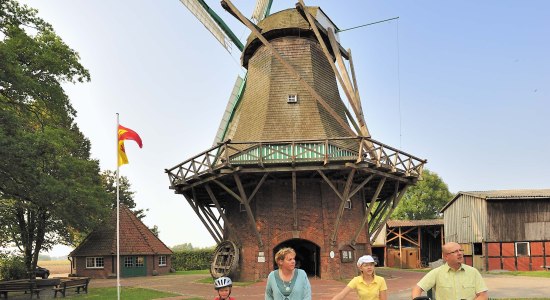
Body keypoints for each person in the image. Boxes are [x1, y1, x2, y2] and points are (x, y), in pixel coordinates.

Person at [411, 242, 488, 300]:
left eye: (460, 250)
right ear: (446, 257)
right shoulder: (437, 273)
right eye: (455, 251)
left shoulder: (473, 272)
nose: (460, 253)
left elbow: (483, 295)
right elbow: (417, 289)